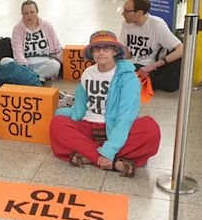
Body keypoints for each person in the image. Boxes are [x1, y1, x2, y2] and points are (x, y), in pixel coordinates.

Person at [50, 30, 160, 178]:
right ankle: (114, 163)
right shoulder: (88, 73)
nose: (101, 52)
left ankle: (90, 156)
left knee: (150, 129)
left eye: (106, 48)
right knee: (57, 124)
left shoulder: (128, 78)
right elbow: (79, 109)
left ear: (115, 51)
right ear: (92, 52)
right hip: (89, 127)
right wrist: (62, 119)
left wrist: (109, 149)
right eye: (97, 48)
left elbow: (126, 117)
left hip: (116, 128)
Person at [119, 0, 183, 92]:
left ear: (139, 13)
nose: (123, 14)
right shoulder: (127, 23)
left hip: (147, 66)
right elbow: (125, 51)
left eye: (127, 11)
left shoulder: (157, 25)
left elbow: (181, 49)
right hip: (131, 64)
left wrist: (153, 66)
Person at [1, 0, 62, 81]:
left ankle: (27, 78)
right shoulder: (17, 29)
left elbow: (57, 48)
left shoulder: (47, 26)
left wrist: (64, 61)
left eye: (32, 12)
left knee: (55, 65)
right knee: (4, 61)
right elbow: (17, 51)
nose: (29, 16)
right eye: (25, 13)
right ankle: (35, 77)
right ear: (22, 14)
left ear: (37, 12)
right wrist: (24, 66)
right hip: (24, 64)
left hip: (44, 63)